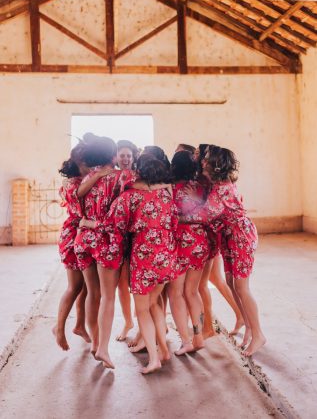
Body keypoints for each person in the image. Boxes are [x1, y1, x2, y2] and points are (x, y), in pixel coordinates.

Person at [182, 146, 266, 357]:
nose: (202, 162)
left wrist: (170, 217)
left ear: (215, 165)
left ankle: (259, 335)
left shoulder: (222, 190)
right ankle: (249, 327)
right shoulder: (217, 185)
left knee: (241, 287)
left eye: (206, 159)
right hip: (228, 238)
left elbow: (201, 216)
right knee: (230, 283)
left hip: (240, 237)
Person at [104, 154, 178, 374]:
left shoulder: (130, 197)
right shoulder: (166, 196)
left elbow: (113, 222)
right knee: (154, 303)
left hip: (144, 257)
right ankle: (163, 350)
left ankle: (154, 359)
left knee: (142, 310)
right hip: (165, 255)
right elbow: (174, 222)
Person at [75, 135, 129, 369]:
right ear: (112, 155)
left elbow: (77, 198)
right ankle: (104, 349)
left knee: (92, 294)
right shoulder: (120, 179)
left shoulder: (87, 177)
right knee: (108, 296)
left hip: (84, 240)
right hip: (107, 240)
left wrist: (88, 224)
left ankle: (95, 343)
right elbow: (117, 218)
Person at [168, 151, 211, 355]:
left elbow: (168, 218)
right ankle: (198, 336)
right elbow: (208, 214)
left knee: (175, 293)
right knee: (192, 292)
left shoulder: (169, 189)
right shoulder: (200, 188)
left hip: (177, 244)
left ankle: (185, 341)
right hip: (199, 243)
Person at [53, 143, 91, 351]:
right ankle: (58, 329)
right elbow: (77, 195)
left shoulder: (86, 178)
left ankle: (79, 325)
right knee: (74, 286)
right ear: (79, 163)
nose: (92, 167)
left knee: (85, 287)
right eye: (88, 163)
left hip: (85, 234)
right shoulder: (72, 183)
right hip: (73, 234)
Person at [115, 139, 138, 341]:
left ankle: (144, 325)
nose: (125, 159)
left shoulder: (139, 176)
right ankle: (128, 321)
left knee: (139, 283)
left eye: (129, 155)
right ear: (116, 157)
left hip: (139, 235)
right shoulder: (112, 177)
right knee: (122, 283)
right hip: (120, 234)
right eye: (122, 155)